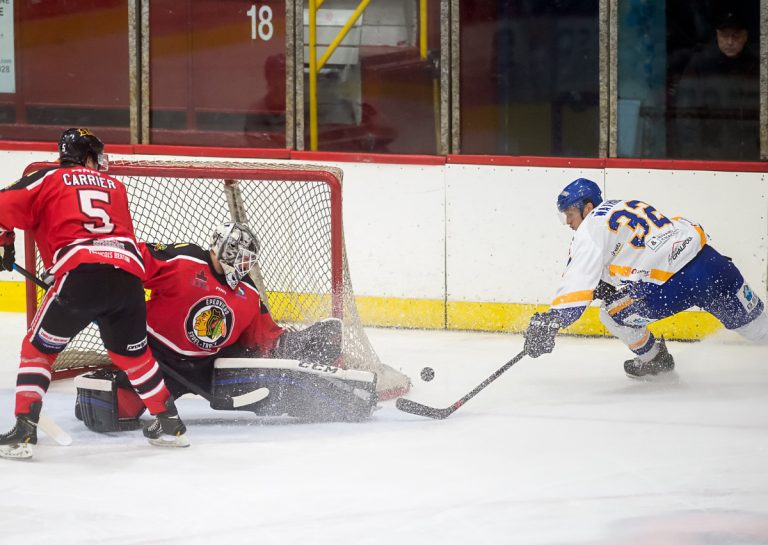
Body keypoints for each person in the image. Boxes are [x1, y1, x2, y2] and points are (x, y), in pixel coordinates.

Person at [73, 222, 377, 432]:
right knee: (109, 409)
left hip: (208, 367)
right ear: (222, 249)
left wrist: (308, 348)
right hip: (154, 358)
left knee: (275, 389)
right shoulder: (184, 260)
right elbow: (133, 258)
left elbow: (267, 339)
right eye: (240, 257)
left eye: (248, 261)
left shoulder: (248, 293)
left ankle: (350, 399)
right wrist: (88, 273)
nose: (243, 266)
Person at [0, 128, 188, 459]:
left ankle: (24, 431)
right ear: (87, 156)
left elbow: (3, 206)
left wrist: (4, 241)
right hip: (128, 277)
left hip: (80, 273)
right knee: (133, 357)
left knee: (37, 350)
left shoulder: (48, 177)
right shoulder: (116, 186)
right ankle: (169, 423)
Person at [523, 178, 768, 377]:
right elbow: (643, 250)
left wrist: (552, 321)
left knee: (610, 314)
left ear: (588, 207)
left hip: (674, 286)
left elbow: (577, 283)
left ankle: (655, 360)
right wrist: (608, 284)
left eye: (570, 214)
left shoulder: (589, 229)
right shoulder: (624, 205)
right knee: (758, 329)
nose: (567, 222)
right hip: (711, 264)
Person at [669, 10, 759, 160]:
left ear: (745, 36)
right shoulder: (701, 64)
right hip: (711, 155)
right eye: (725, 36)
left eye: (735, 36)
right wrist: (693, 155)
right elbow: (686, 114)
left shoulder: (756, 65)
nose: (730, 41)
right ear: (717, 35)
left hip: (749, 153)